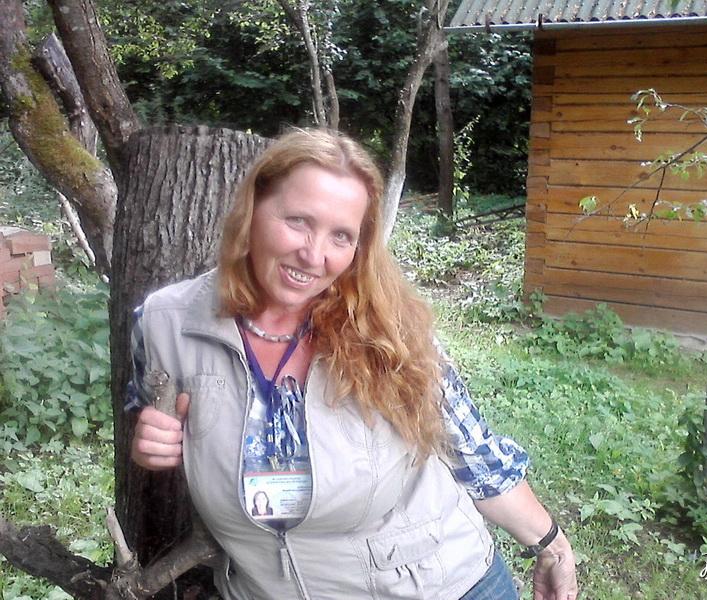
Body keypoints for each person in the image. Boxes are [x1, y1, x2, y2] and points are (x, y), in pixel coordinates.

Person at [128, 128, 579, 600]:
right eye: (299, 221)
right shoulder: (165, 322)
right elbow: (149, 409)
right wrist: (150, 442)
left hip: (442, 586)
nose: (314, 255)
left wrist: (551, 545)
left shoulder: (387, 328)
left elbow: (471, 450)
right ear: (252, 207)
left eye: (341, 236)